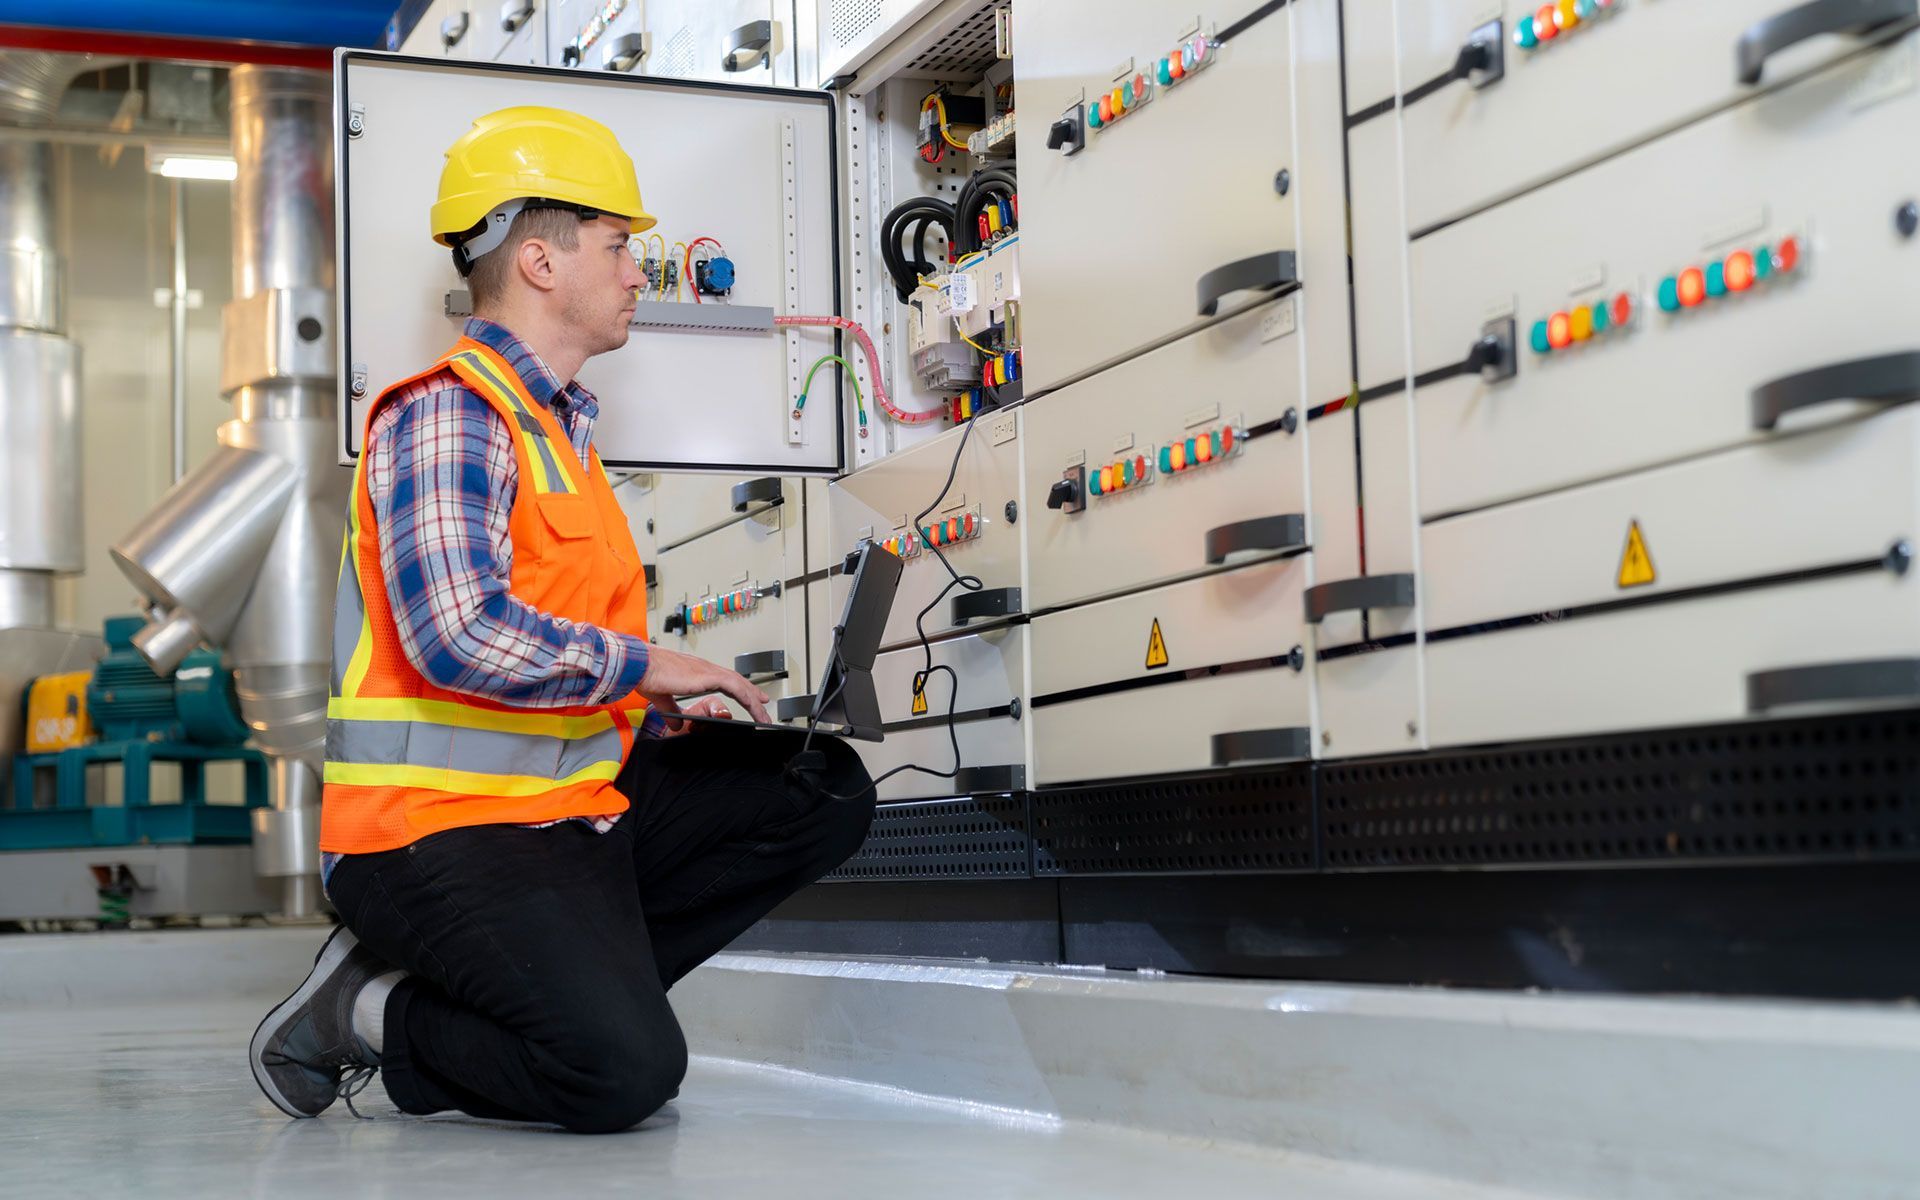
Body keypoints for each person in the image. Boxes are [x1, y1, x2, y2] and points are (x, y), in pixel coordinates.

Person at [248, 106, 874, 1133]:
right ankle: (374, 1008)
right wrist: (646, 665)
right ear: (540, 262)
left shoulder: (565, 431)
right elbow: (458, 634)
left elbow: (554, 657)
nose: (639, 272)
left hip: (565, 807)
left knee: (816, 788)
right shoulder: (450, 415)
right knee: (620, 1076)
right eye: (620, 246)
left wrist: (652, 716)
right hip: (430, 832)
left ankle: (567, 989)